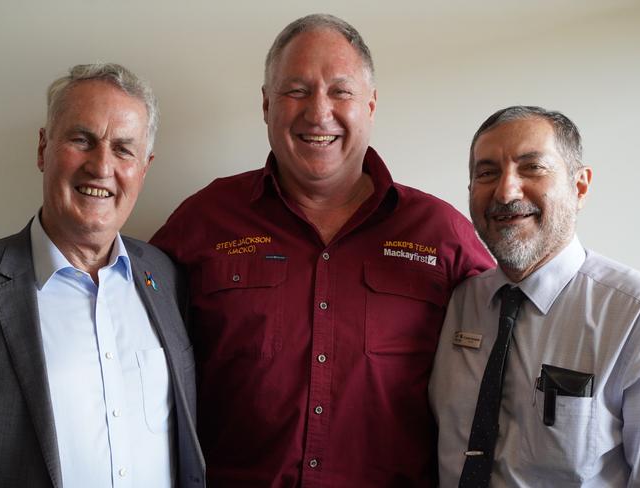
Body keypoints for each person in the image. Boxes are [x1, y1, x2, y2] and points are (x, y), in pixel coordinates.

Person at [151, 14, 493, 487]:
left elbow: (507, 358)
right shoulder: (204, 221)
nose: (318, 112)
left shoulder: (440, 233)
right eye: (296, 90)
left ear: (370, 106)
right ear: (267, 104)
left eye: (340, 91)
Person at [0, 63, 205, 488]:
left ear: (144, 168)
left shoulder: (166, 277)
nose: (101, 166)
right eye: (81, 139)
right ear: (42, 148)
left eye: (124, 149)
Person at [429, 105, 640, 486]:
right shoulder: (458, 303)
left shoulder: (632, 316)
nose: (506, 190)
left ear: (579, 186)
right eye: (486, 173)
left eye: (532, 167)